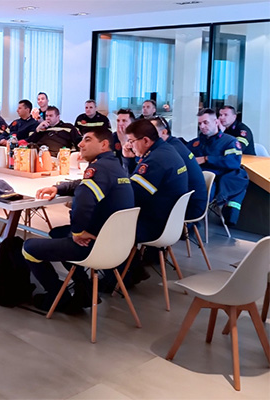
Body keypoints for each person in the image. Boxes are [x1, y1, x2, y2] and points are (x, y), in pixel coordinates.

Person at [22, 127, 134, 313]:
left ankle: (58, 296)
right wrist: (59, 188)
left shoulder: (97, 168)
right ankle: (84, 289)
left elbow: (83, 201)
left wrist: (78, 232)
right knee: (57, 233)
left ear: (104, 144)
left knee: (28, 248)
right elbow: (82, 185)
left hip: (95, 246)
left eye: (88, 140)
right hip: (118, 245)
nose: (80, 144)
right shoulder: (115, 166)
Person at [124, 119, 188, 243]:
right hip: (170, 221)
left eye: (131, 141)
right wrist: (129, 160)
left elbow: (133, 196)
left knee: (101, 222)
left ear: (146, 141)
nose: (129, 145)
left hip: (154, 226)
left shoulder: (155, 161)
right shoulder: (166, 149)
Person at [185, 108, 249, 226]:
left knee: (198, 196)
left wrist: (206, 159)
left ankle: (188, 226)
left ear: (215, 122)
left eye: (206, 122)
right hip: (193, 179)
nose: (202, 126)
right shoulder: (196, 142)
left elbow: (233, 162)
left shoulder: (229, 142)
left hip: (212, 183)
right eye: (200, 123)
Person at [151, 117, 207, 221]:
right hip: (192, 201)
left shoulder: (168, 151)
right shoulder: (174, 143)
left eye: (151, 132)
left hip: (189, 207)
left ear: (164, 132)